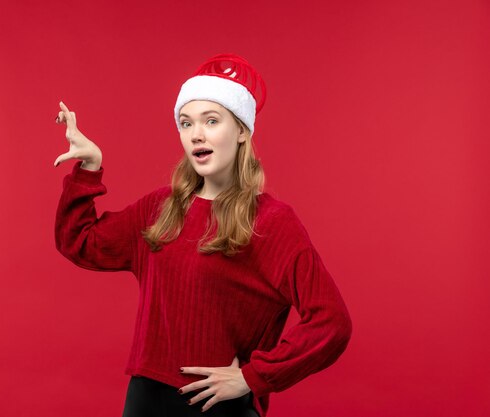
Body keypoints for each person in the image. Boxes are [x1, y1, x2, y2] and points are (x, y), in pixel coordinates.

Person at [53, 53, 352, 417]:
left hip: (219, 407)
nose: (196, 134)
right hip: (145, 401)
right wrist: (89, 168)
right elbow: (79, 242)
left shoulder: (272, 221)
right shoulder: (160, 208)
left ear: (241, 130)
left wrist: (253, 377)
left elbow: (331, 322)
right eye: (186, 122)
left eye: (212, 121)